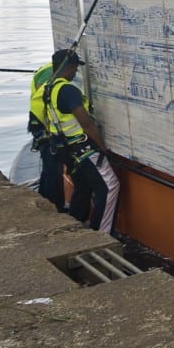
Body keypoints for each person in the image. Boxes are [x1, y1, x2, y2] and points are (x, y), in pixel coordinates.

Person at [43, 48, 119, 233]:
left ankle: (75, 226)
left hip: (67, 151)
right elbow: (86, 123)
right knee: (110, 187)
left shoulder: (49, 89)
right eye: (75, 69)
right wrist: (102, 148)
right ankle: (101, 235)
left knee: (83, 187)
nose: (76, 72)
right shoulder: (68, 91)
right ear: (68, 67)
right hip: (83, 149)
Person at [27, 60, 66, 213]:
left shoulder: (48, 70)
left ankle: (46, 201)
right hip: (44, 126)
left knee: (50, 168)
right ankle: (54, 208)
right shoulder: (49, 75)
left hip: (41, 123)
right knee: (52, 170)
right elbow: (47, 104)